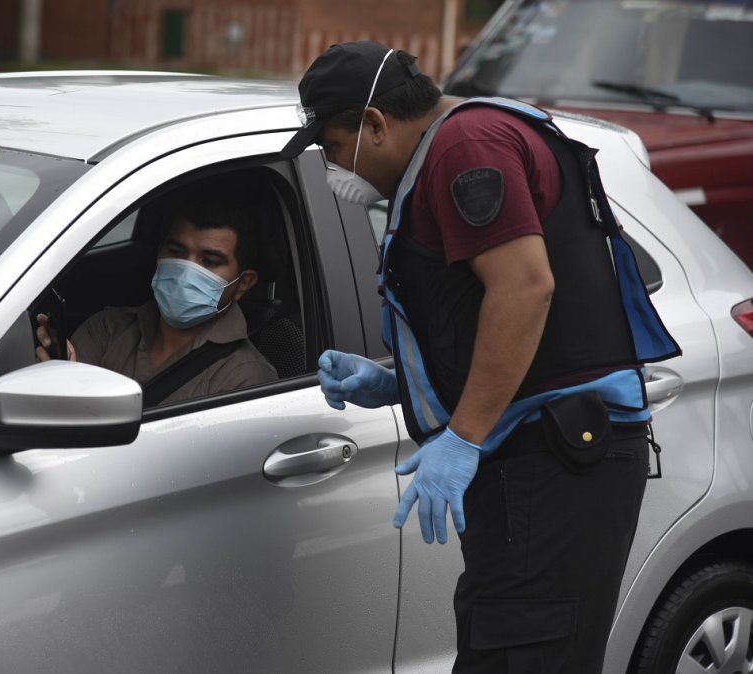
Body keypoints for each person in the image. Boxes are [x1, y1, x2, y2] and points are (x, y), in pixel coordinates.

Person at [280, 41, 680, 672]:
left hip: (550, 459)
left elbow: (524, 288)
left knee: (522, 655)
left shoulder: (467, 147)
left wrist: (463, 436)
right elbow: (484, 316)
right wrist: (395, 382)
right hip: (538, 456)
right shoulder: (457, 143)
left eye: (331, 146)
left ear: (375, 123)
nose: (332, 166)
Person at [36, 179, 278, 405]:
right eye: (176, 252)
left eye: (210, 262)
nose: (186, 271)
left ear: (243, 283)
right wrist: (58, 380)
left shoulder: (245, 376)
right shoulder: (107, 328)